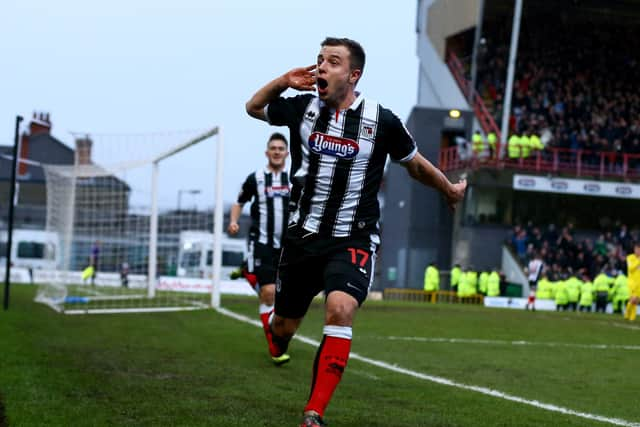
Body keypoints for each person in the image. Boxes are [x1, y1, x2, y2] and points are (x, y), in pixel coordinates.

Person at [245, 37, 467, 427]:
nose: (322, 67)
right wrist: (284, 80)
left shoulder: (380, 120)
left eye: (332, 61)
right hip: (302, 237)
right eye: (319, 60)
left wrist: (447, 188)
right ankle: (278, 337)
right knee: (284, 326)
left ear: (353, 74)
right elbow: (254, 107)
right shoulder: (303, 108)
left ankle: (313, 414)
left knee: (340, 308)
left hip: (354, 237)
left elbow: (413, 164)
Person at [227, 132, 291, 364]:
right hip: (261, 243)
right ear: (267, 152)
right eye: (273, 148)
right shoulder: (255, 178)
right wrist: (234, 221)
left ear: (287, 153)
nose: (276, 151)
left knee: (286, 298)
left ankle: (246, 270)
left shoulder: (294, 178)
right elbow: (239, 202)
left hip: (288, 247)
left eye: (280, 148)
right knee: (268, 293)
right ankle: (275, 347)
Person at [624, 242, 640, 321]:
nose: (638, 251)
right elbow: (631, 269)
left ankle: (632, 318)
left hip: (639, 283)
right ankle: (627, 314)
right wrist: (638, 261)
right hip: (632, 282)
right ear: (634, 249)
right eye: (637, 249)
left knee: (636, 301)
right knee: (632, 299)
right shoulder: (630, 257)